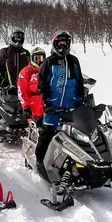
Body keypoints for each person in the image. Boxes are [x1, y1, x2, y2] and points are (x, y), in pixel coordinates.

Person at [35, 31, 85, 180]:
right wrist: (46, 100)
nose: (62, 46)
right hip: (53, 104)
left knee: (74, 136)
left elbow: (79, 80)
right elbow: (41, 81)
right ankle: (40, 160)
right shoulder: (49, 62)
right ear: (55, 44)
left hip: (71, 104)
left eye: (65, 43)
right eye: (60, 43)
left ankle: (74, 164)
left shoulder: (74, 61)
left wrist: (80, 98)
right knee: (47, 133)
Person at [17, 47, 46, 121]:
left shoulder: (48, 70)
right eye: (37, 58)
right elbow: (22, 91)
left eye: (41, 58)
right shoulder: (26, 72)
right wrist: (25, 106)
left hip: (46, 103)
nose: (39, 61)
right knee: (34, 127)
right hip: (33, 104)